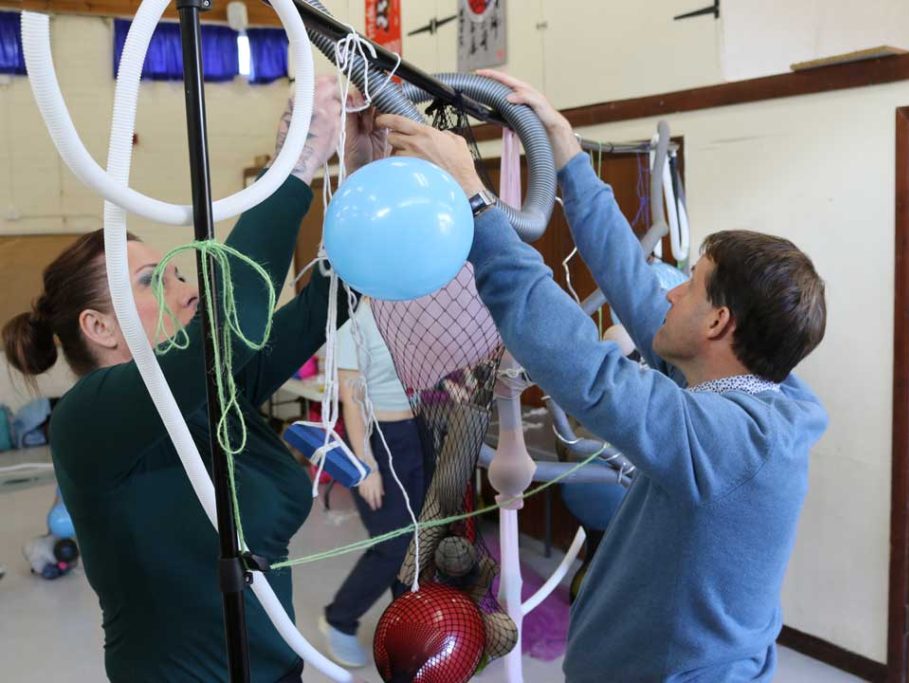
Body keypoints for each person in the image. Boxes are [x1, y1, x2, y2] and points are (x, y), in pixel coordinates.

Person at [380, 70, 828, 682]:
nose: (669, 296)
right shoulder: (758, 390)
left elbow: (584, 370)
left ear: (720, 323)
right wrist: (566, 153)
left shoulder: (730, 440)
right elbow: (638, 288)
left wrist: (475, 202)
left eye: (689, 286)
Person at [1, 76, 371, 683]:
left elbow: (331, 297)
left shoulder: (212, 393)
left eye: (176, 273)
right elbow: (233, 324)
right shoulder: (86, 421)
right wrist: (295, 160)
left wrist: (359, 173)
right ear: (100, 326)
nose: (188, 287)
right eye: (154, 280)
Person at [319, 296, 427, 667]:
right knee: (392, 545)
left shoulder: (411, 316)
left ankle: (403, 628)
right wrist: (368, 466)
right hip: (377, 441)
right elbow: (352, 402)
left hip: (417, 434)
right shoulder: (354, 325)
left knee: (416, 541)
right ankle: (339, 619)